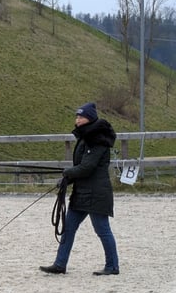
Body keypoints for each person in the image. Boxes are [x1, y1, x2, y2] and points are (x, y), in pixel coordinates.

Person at [40, 102, 120, 275]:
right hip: (83, 192)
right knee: (68, 227)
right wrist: (66, 179)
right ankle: (60, 264)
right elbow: (82, 169)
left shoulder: (97, 140)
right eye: (77, 117)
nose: (77, 120)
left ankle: (112, 266)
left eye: (80, 117)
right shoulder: (86, 138)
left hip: (97, 193)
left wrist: (67, 173)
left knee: (102, 230)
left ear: (89, 119)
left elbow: (87, 167)